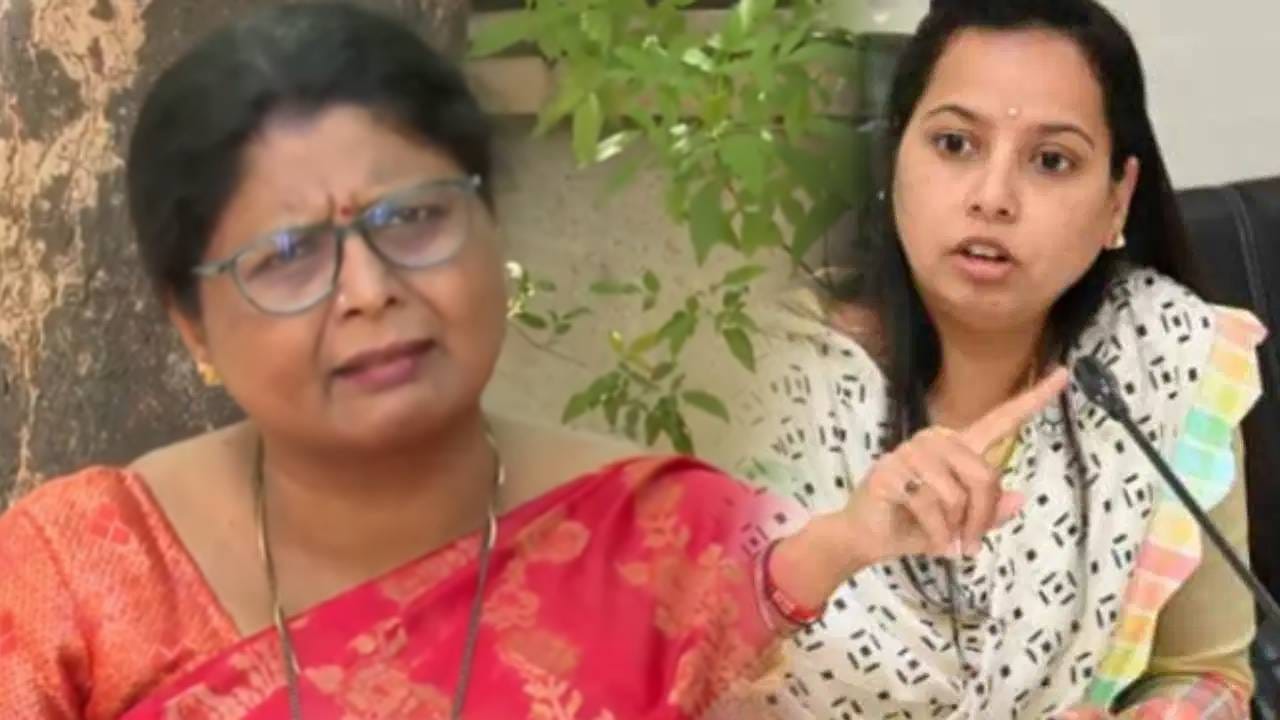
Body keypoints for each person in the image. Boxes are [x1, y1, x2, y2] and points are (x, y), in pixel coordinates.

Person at [0, 4, 835, 717]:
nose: (368, 291)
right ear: (192, 324)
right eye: (289, 254)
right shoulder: (79, 575)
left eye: (411, 219)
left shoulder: (685, 552)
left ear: (492, 224)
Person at [738, 1, 1264, 718]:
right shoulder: (756, 371)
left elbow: (1206, 672)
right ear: (895, 157)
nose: (992, 198)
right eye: (955, 144)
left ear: (1118, 200)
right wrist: (833, 549)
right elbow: (650, 666)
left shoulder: (1164, 359)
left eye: (1051, 161)